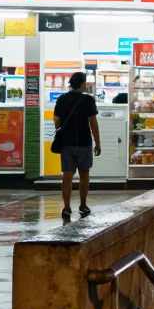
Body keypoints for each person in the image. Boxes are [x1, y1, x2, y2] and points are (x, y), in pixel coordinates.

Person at [53, 71, 101, 221]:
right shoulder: (88, 100)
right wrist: (98, 142)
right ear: (81, 84)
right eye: (85, 83)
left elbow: (56, 120)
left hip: (66, 143)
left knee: (67, 176)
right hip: (84, 142)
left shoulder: (62, 99)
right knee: (84, 174)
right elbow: (93, 123)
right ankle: (83, 205)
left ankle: (67, 207)